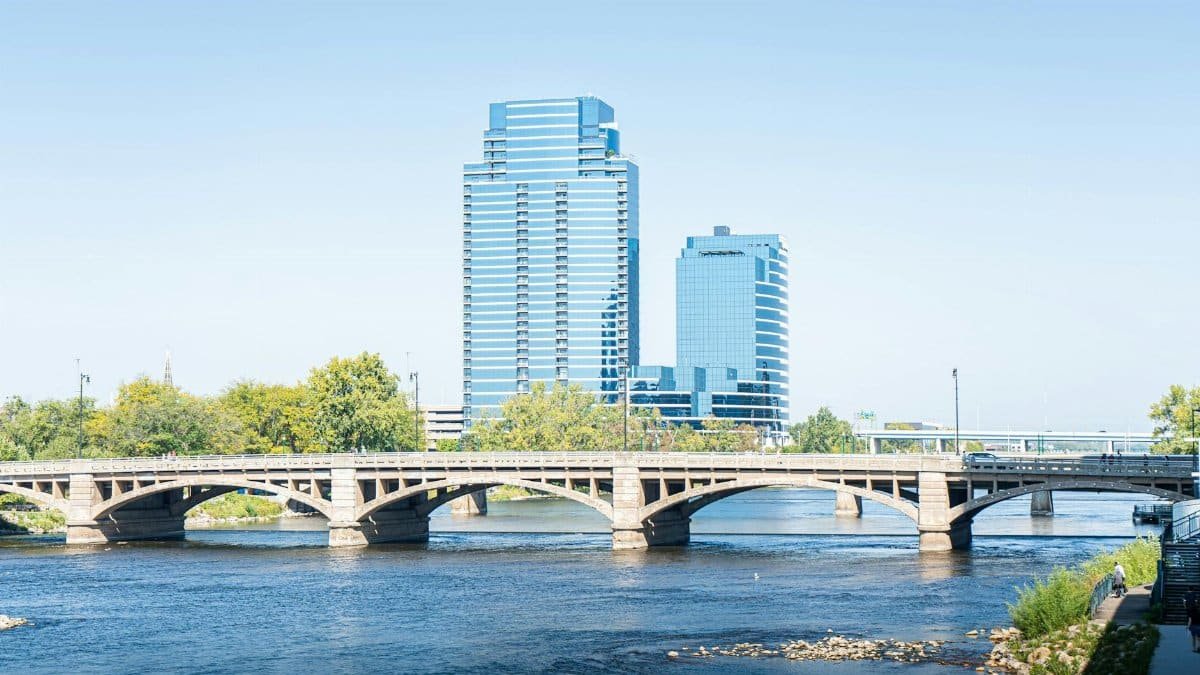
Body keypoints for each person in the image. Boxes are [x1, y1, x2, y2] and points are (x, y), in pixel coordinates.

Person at [1186, 585, 1200, 653]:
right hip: (1198, 626)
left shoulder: (1191, 613)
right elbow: (1196, 601)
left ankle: (1194, 649)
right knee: (1199, 638)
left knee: (1193, 638)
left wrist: (1188, 627)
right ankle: (1199, 647)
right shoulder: (1198, 613)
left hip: (1193, 626)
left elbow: (1190, 620)